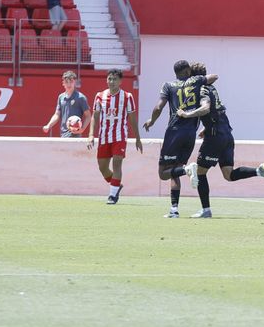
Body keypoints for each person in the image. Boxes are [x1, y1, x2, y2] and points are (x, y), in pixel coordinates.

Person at [178, 62, 264, 217]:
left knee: (200, 171)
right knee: (228, 175)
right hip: (227, 135)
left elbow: (205, 108)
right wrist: (206, 127)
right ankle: (259, 171)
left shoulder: (202, 89)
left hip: (215, 137)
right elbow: (218, 111)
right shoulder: (213, 89)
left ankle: (206, 210)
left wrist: (186, 114)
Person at [140, 59, 202, 217]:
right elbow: (213, 77)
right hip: (191, 134)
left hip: (175, 131)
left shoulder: (168, 85)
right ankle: (174, 210)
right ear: (188, 72)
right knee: (175, 171)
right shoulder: (196, 85)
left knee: (163, 172)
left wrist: (151, 121)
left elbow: (158, 107)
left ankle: (187, 170)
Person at [87, 68, 142, 204]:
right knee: (102, 168)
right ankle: (116, 185)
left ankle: (112, 195)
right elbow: (95, 116)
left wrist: (137, 138)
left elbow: (132, 118)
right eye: (109, 79)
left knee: (117, 163)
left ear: (120, 81)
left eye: (115, 79)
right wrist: (90, 135)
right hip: (104, 136)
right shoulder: (99, 96)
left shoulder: (127, 97)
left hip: (120, 136)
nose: (111, 82)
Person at [41, 69, 90, 137]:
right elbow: (57, 115)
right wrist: (48, 125)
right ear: (63, 83)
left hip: (75, 136)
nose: (69, 84)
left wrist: (82, 129)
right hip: (63, 135)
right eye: (66, 82)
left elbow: (88, 116)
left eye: (71, 81)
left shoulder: (81, 97)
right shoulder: (61, 97)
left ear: (74, 82)